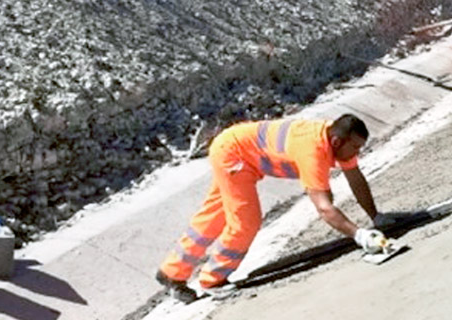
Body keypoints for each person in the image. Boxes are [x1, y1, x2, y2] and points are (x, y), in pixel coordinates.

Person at [156, 114, 390, 302]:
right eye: (356, 148)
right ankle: (212, 279)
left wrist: (376, 217)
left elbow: (355, 178)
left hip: (235, 146)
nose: (357, 153)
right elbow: (323, 207)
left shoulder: (335, 137)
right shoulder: (313, 150)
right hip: (234, 154)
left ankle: (171, 273)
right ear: (338, 142)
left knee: (214, 213)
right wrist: (359, 235)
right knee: (246, 221)